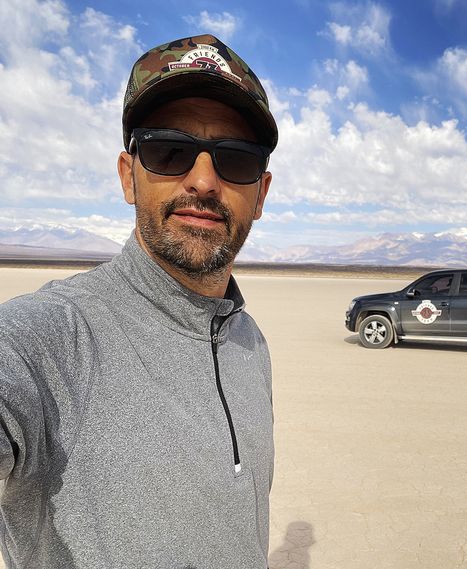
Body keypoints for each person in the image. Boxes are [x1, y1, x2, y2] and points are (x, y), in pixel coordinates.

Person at [0, 34, 277, 568]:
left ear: (260, 194)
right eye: (168, 150)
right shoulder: (48, 338)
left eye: (236, 159)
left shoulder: (251, 343)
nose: (204, 181)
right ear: (129, 177)